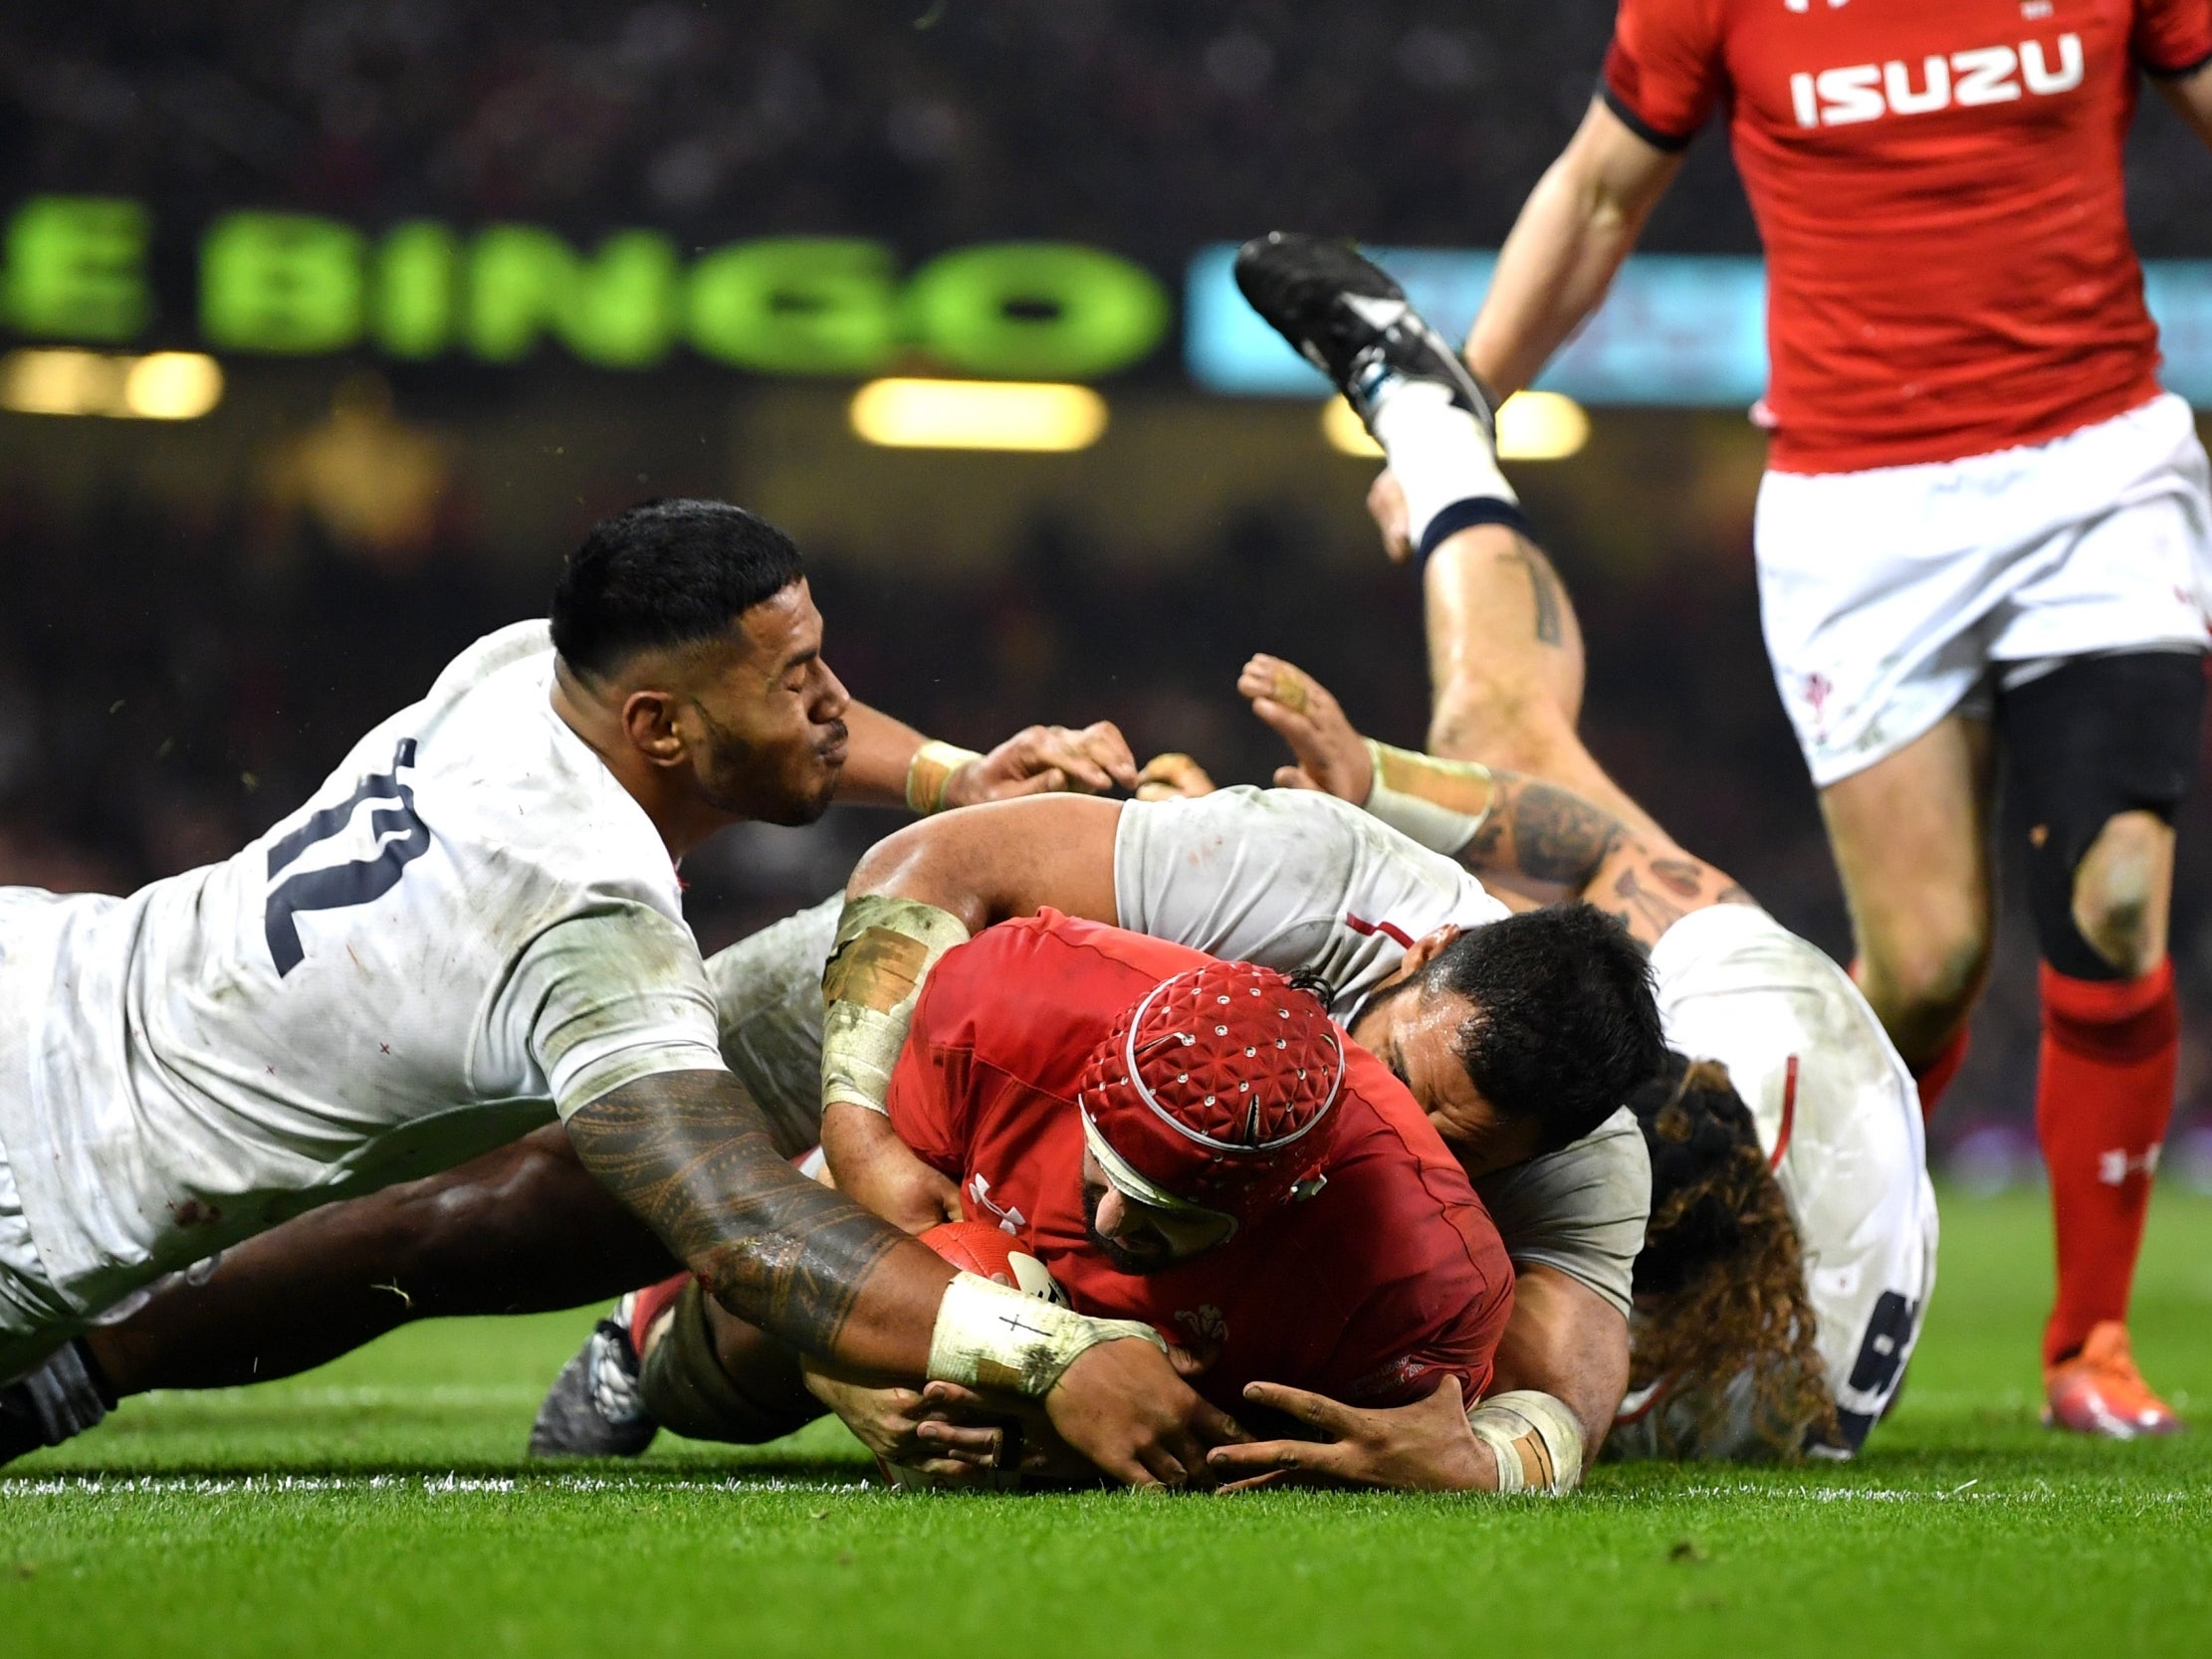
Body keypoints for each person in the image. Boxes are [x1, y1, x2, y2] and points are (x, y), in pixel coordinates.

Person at [0, 497, 1233, 1487]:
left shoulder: (520, 674)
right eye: (791, 676)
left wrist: (955, 780)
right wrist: (1052, 1352)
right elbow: (742, 1228)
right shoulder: (586, 916)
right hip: (32, 1190)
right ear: (658, 726)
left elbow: (800, 728)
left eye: (820, 658)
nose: (828, 704)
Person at [15, 781, 1666, 1496]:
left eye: (1465, 1148)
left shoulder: (1583, 1174)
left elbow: (1554, 1403)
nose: (1408, 1120)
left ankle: (692, 1336)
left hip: (1132, 1206)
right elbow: (933, 869)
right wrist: (862, 1137)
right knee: (524, 1188)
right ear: (1422, 969)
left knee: (985, 1367)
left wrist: (1496, 1459)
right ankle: (84, 1340)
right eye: (1401, 1064)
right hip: (957, 1018)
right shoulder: (1302, 871)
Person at [1397, 2, 2212, 1436]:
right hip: (1859, 510)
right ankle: (1770, 1261)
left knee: (2117, 885)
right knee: (1924, 961)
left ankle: (2086, 1337)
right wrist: (1460, 414)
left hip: (2093, 466)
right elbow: (1594, 190)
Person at [1220, 234, 1938, 1460]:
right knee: (1496, 738)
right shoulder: (1760, 1033)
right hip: (1809, 1045)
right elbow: (1597, 846)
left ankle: (1437, 426)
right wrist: (1375, 782)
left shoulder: (1578, 1335)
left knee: (1491, 756)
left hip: (1834, 1135)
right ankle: (1434, 422)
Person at [830, 912, 1524, 1490]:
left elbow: (1495, 1433)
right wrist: (835, 1369)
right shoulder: (1005, 998)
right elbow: (816, 1213)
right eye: (1102, 1166)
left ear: (1288, 1199)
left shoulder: (1421, 1272)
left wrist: (1503, 1466)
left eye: (1164, 1212)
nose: (1108, 1221)